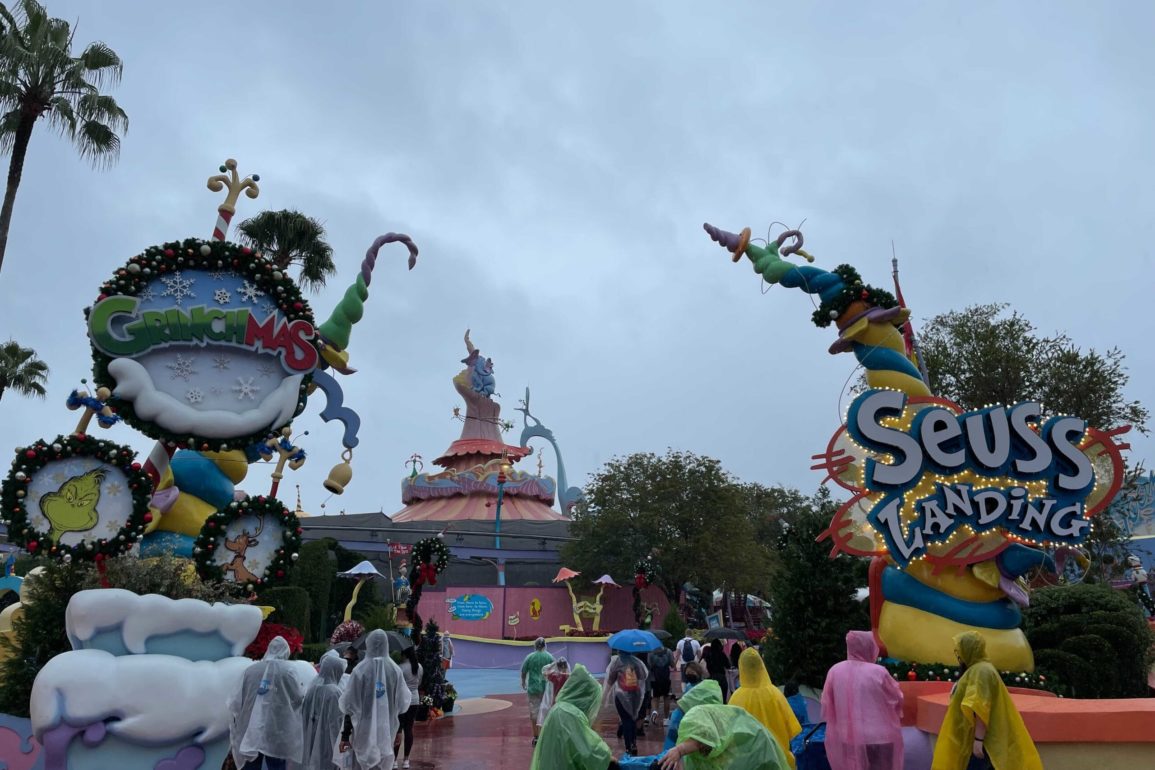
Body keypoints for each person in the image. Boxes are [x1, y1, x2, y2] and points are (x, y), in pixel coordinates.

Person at [931, 631, 1042, 770]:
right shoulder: (977, 669)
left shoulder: (981, 671)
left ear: (970, 649)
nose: (958, 654)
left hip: (983, 743)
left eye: (960, 649)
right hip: (973, 739)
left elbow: (980, 707)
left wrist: (978, 740)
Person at [658, 678, 790, 769]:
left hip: (759, 754)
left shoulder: (698, 713)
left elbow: (703, 736)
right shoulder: (720, 715)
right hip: (763, 749)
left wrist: (679, 750)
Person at [821, 631, 904, 770]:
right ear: (870, 647)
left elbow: (827, 702)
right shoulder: (879, 672)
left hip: (846, 736)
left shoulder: (835, 671)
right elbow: (896, 698)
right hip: (880, 737)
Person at [338, 629, 412, 770]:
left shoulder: (360, 670)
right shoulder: (394, 670)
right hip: (386, 728)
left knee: (362, 763)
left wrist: (345, 735)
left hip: (362, 728)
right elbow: (401, 703)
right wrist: (399, 730)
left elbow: (350, 705)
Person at [228, 636, 305, 770]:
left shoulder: (251, 670)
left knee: (251, 763)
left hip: (251, 728)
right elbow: (298, 698)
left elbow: (236, 700)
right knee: (276, 764)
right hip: (277, 729)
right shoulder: (288, 671)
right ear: (286, 651)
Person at [530, 664, 622, 770]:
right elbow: (587, 750)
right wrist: (607, 758)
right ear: (585, 696)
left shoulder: (560, 708)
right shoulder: (569, 714)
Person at [729, 648, 802, 768]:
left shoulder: (735, 698)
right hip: (778, 760)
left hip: (749, 762)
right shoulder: (776, 694)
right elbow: (792, 729)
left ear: (741, 668)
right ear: (762, 666)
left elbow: (730, 734)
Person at [301, 654, 346, 770]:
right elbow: (337, 722)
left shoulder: (311, 689)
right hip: (328, 740)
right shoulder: (335, 692)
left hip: (311, 736)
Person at [603, 650, 648, 755]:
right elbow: (643, 676)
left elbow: (610, 680)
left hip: (621, 696)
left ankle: (629, 747)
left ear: (619, 650)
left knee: (625, 720)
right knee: (632, 719)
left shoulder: (616, 662)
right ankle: (633, 744)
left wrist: (604, 696)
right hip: (635, 695)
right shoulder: (637, 662)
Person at [392, 645, 423, 770]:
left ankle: (394, 760)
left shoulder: (400, 668)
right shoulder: (419, 667)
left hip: (402, 701)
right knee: (409, 729)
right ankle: (406, 760)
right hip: (414, 700)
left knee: (398, 730)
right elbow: (419, 683)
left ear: (404, 654)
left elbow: (396, 685)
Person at [521, 637, 555, 746]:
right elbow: (554, 672)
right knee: (546, 711)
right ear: (544, 645)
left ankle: (536, 737)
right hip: (546, 689)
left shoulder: (530, 657)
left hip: (533, 689)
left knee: (534, 712)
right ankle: (545, 735)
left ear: (535, 646)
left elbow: (524, 671)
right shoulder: (549, 657)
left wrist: (523, 682)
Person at [664, 663, 705, 751]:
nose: (689, 675)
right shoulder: (688, 686)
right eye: (687, 673)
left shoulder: (704, 686)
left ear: (698, 672)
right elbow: (684, 701)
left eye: (692, 673)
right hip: (688, 718)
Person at [538, 657, 571, 726]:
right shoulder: (568, 677)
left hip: (556, 701)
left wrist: (553, 664)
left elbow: (544, 671)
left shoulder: (554, 676)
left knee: (555, 720)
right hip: (565, 701)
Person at [648, 643, 674, 724]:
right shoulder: (668, 651)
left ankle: (655, 712)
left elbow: (649, 666)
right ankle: (666, 719)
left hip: (654, 679)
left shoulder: (651, 652)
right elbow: (672, 665)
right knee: (666, 698)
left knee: (655, 698)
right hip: (666, 678)